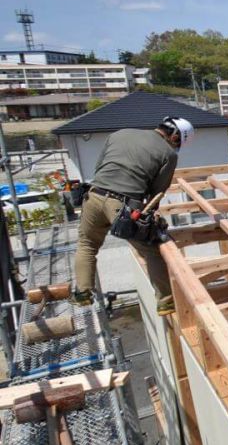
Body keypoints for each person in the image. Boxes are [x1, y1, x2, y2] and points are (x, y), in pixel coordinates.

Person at [71, 116, 194, 315]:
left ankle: (83, 293)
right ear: (174, 136)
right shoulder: (168, 154)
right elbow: (157, 192)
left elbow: (100, 166)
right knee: (151, 250)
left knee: (87, 245)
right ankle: (166, 301)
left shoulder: (121, 133)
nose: (176, 146)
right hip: (124, 205)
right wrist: (151, 221)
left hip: (93, 195)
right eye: (178, 142)